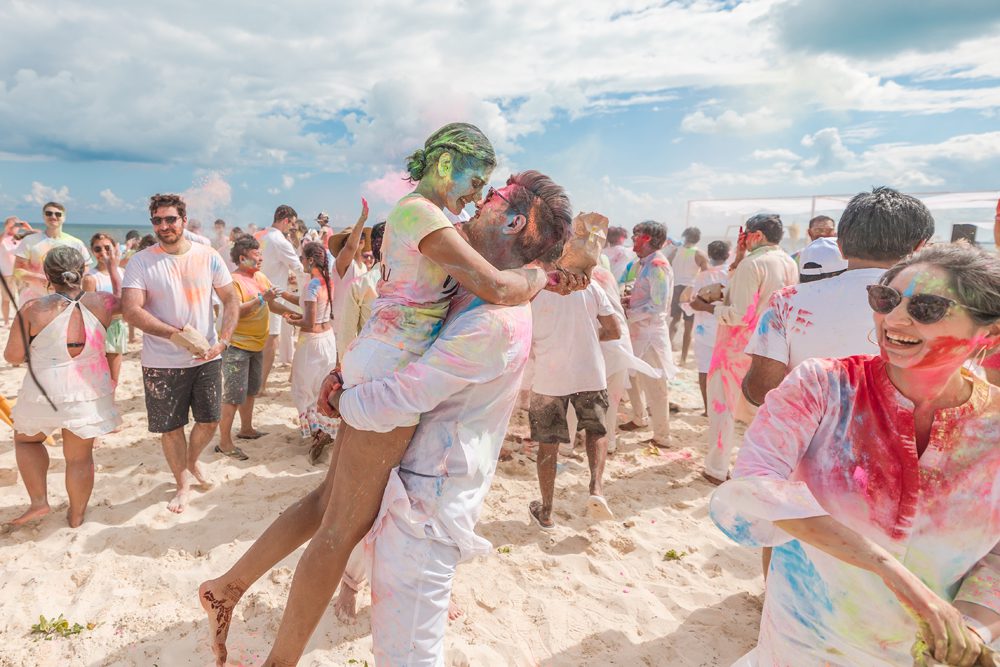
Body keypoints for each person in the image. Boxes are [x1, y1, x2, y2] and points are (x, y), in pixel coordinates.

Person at [199, 167, 575, 667]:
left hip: (426, 495)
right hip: (401, 452)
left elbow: (405, 391)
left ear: (514, 222)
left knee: (333, 522)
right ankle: (240, 607)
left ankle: (234, 596)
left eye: (496, 195)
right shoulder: (477, 283)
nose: (480, 198)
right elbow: (405, 326)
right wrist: (345, 374)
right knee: (333, 522)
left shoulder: (494, 316)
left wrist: (343, 398)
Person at [710, 243, 1000, 666]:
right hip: (803, 646)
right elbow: (754, 487)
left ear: (987, 334)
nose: (895, 320)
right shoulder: (823, 386)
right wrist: (896, 575)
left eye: (927, 307)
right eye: (886, 300)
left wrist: (972, 629)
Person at [744, 187, 934, 407]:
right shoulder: (936, 310)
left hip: (809, 438)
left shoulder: (787, 302)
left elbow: (760, 391)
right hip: (901, 438)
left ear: (840, 247)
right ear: (919, 248)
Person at [122, 193, 238, 514]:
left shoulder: (208, 255)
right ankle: (182, 483)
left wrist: (224, 341)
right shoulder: (141, 261)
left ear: (183, 221)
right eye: (157, 220)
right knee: (171, 428)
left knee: (210, 420)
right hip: (161, 361)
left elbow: (230, 300)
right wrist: (172, 335)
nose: (164, 225)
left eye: (170, 219)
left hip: (208, 356)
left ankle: (191, 461)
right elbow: (131, 310)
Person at [4, 246, 122, 527]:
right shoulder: (103, 303)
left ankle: (39, 501)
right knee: (80, 459)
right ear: (83, 272)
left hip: (43, 391)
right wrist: (114, 271)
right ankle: (77, 515)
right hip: (87, 390)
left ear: (47, 275)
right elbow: (125, 301)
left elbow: (13, 356)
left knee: (26, 440)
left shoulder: (33, 309)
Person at [690, 213, 797, 484]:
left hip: (737, 348)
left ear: (756, 235)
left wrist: (709, 308)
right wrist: (739, 256)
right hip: (771, 347)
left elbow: (738, 314)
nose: (742, 240)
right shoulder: (788, 262)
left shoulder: (754, 263)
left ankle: (715, 468)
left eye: (745, 234)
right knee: (759, 411)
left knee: (722, 408)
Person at [527, 267, 621, 528]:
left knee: (548, 444)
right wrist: (588, 336)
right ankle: (596, 489)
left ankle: (545, 511)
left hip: (549, 376)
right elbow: (614, 331)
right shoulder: (590, 286)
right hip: (590, 371)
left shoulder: (532, 288)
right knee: (597, 431)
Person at [216, 235, 294, 461]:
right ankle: (224, 442)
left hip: (257, 344)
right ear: (242, 258)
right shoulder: (233, 281)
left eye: (260, 254)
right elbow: (236, 310)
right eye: (255, 255)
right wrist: (261, 299)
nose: (260, 258)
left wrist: (289, 313)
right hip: (237, 346)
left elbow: (272, 303)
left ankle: (246, 429)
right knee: (232, 396)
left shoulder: (260, 276)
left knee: (251, 390)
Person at [619, 220, 676, 448]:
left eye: (637, 236)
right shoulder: (643, 263)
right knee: (632, 377)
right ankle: (639, 417)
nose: (633, 240)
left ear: (649, 239)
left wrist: (630, 310)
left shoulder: (658, 265)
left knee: (655, 385)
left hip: (650, 335)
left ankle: (662, 435)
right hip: (636, 333)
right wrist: (628, 300)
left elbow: (659, 306)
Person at [281, 241, 339, 461]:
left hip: (311, 343)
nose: (301, 262)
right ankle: (325, 427)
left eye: (302, 258)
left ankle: (317, 433)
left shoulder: (313, 285)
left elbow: (309, 321)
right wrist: (286, 297)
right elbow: (313, 310)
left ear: (311, 260)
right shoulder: (328, 282)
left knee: (305, 389)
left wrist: (291, 320)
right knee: (322, 387)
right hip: (328, 339)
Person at [256, 205, 305, 395]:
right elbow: (299, 268)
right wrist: (305, 293)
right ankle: (260, 386)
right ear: (286, 221)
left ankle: (255, 382)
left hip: (254, 291)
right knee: (271, 341)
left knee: (258, 339)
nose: (291, 229)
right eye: (291, 225)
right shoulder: (280, 241)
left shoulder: (259, 236)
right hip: (273, 296)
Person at [13, 202, 90, 303]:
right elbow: (17, 270)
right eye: (49, 213)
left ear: (64, 217)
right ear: (43, 216)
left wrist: (71, 279)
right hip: (34, 299)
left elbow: (86, 268)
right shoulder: (29, 240)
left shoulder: (76, 243)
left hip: (66, 300)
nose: (53, 216)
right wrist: (40, 278)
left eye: (58, 214)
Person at [687, 240, 731, 414]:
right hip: (727, 328)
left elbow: (692, 302)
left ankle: (708, 409)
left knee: (705, 369)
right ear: (728, 254)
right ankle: (726, 407)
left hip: (704, 331)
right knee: (725, 370)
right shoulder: (733, 275)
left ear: (709, 255)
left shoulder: (702, 276)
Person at [83, 233, 127, 388]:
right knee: (97, 377)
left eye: (107, 247)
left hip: (117, 327)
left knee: (113, 378)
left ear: (114, 248)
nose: (103, 252)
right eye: (97, 249)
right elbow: (88, 311)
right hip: (99, 330)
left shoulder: (122, 272)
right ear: (92, 251)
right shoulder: (90, 277)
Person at [336, 221, 384, 356]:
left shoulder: (363, 278)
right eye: (357, 237)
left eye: (363, 237)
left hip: (368, 357)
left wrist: (343, 368)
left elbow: (347, 335)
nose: (360, 240)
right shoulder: (343, 265)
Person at [669, 226, 709, 364]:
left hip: (675, 288)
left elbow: (667, 266)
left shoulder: (675, 251)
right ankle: (683, 358)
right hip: (690, 289)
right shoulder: (699, 254)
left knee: (674, 320)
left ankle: (667, 353)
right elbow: (706, 274)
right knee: (688, 325)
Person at [1, 217, 25, 325]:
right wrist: (7, 229)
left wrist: (27, 227)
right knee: (6, 299)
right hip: (6, 274)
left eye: (17, 225)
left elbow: (37, 235)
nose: (15, 228)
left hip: (20, 272)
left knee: (23, 297)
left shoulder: (20, 238)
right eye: (12, 225)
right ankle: (6, 323)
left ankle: (22, 319)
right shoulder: (3, 238)